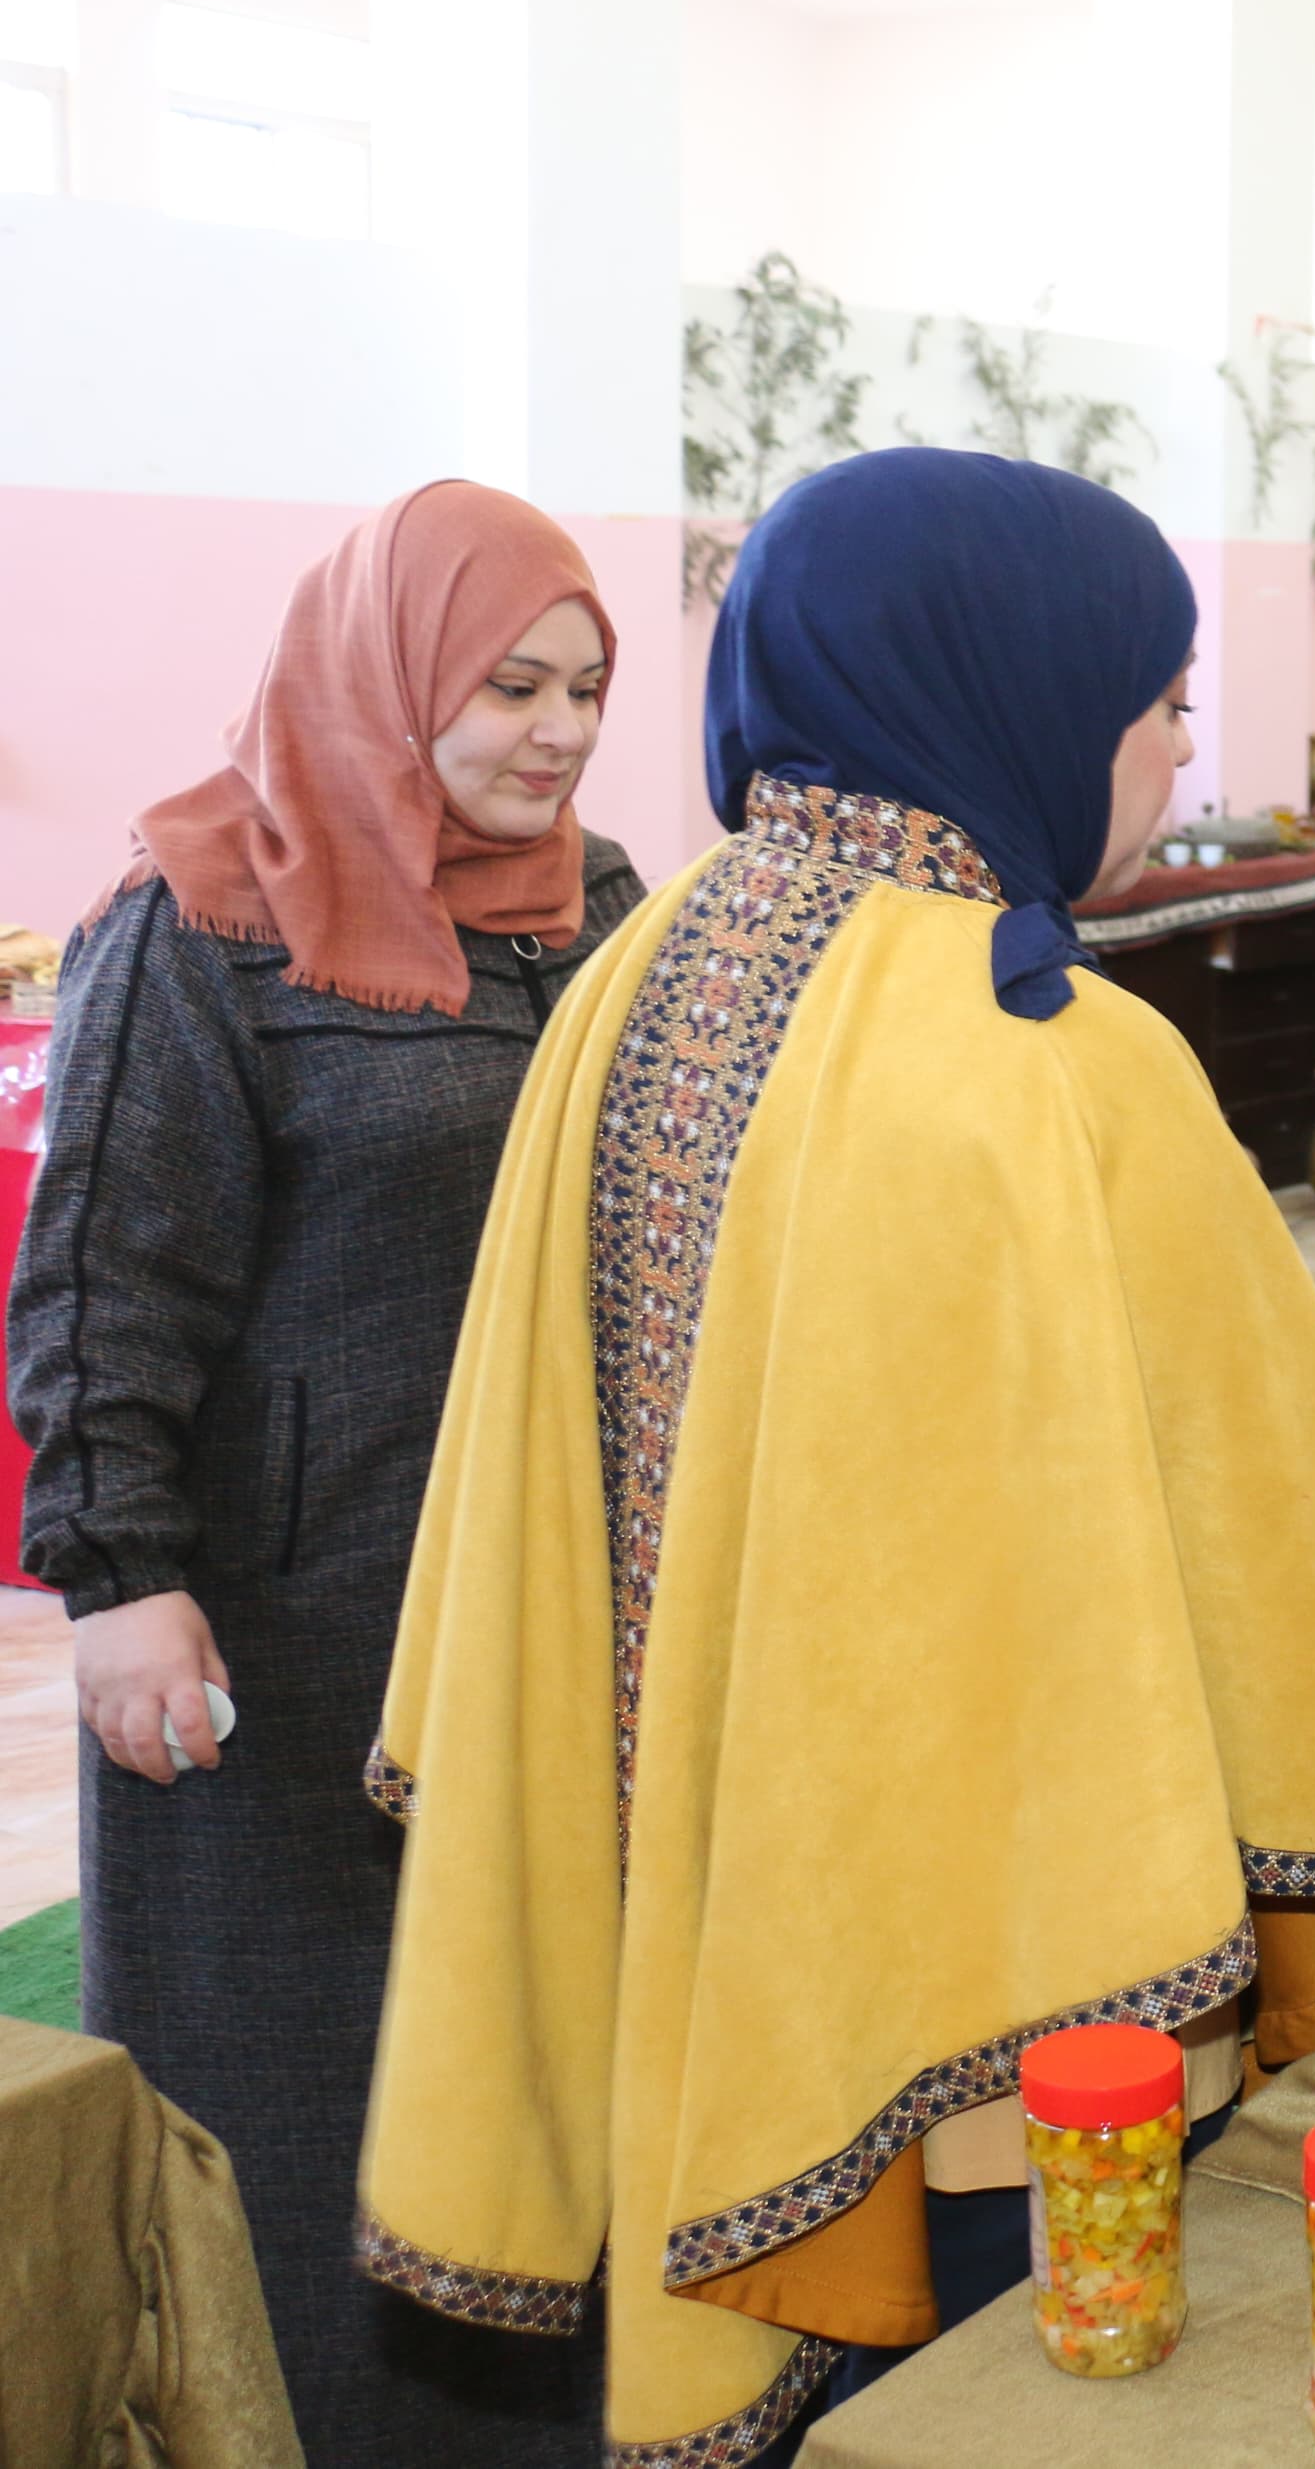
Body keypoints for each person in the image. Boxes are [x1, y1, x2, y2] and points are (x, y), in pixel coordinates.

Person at [356, 450, 1315, 2468]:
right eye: (1160, 702)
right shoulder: (1048, 1050)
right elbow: (1270, 1558)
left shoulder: (638, 964)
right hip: (986, 1968)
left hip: (675, 1873)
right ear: (1020, 695)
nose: (1177, 752)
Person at [10, 483, 633, 2466]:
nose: (556, 731)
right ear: (388, 668)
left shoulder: (598, 910)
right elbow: (100, 1278)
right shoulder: (201, 924)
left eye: (587, 689)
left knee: (527, 2072)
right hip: (283, 1644)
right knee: (295, 2089)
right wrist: (122, 1577)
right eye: (510, 684)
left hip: (541, 1617)